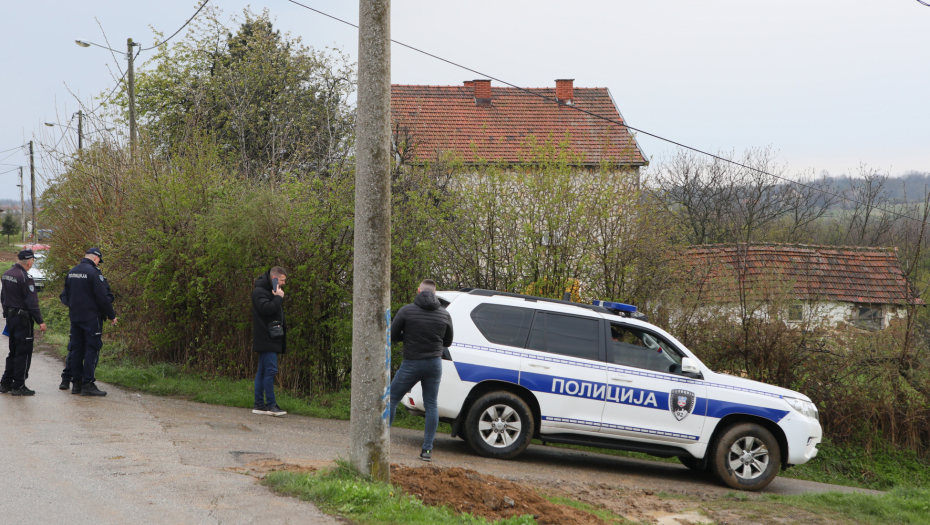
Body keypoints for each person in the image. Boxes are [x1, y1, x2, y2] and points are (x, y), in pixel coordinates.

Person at [387, 279, 453, 462]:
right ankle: (427, 451)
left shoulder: (407, 310)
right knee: (431, 404)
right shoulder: (444, 314)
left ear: (418, 291)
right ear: (435, 292)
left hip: (412, 363)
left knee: (392, 398)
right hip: (434, 364)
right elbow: (447, 342)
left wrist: (408, 336)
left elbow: (391, 335)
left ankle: (381, 441)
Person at [60, 248, 117, 396]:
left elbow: (64, 295)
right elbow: (103, 297)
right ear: (96, 258)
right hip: (92, 318)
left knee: (77, 350)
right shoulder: (94, 273)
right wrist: (111, 315)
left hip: (75, 318)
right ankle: (88, 384)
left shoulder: (72, 272)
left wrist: (73, 305)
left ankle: (77, 384)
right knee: (92, 349)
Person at [0, 249, 47, 396]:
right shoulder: (25, 277)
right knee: (24, 352)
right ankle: (19, 385)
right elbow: (32, 303)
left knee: (13, 351)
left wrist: (6, 313)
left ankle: (5, 383)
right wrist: (40, 321)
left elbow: (3, 296)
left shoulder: (7, 273)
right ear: (30, 261)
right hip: (23, 320)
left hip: (11, 318)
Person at [251, 266, 288, 417]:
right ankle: (271, 405)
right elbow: (266, 309)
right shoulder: (259, 292)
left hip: (270, 337)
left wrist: (276, 296)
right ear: (274, 279)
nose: (284, 283)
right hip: (266, 338)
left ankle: (259, 404)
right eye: (282, 280)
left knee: (262, 371)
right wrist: (278, 297)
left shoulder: (269, 292)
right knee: (270, 370)